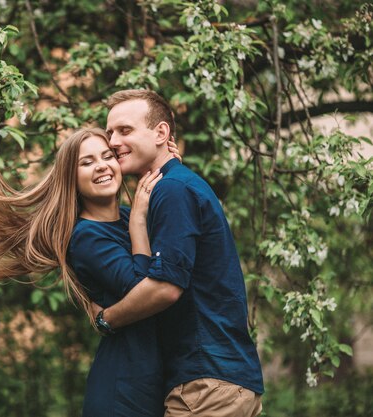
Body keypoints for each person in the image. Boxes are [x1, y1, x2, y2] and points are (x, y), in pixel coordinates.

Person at [0, 128, 180, 416]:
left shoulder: (125, 216)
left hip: (152, 376)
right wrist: (137, 223)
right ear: (71, 177)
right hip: (124, 387)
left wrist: (166, 164)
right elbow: (142, 288)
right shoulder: (86, 236)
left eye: (107, 156)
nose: (101, 166)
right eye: (86, 162)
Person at [95, 89, 264, 417]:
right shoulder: (174, 186)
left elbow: (164, 288)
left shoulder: (173, 190)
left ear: (161, 133)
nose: (112, 141)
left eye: (125, 130)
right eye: (110, 132)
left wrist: (105, 319)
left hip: (205, 388)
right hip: (217, 382)